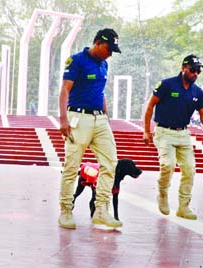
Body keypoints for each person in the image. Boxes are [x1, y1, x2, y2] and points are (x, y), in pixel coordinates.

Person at [143, 54, 203, 220]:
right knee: (167, 164)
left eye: (198, 71)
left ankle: (183, 207)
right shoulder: (167, 84)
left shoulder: (198, 92)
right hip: (164, 131)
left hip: (184, 134)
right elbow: (150, 106)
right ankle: (162, 194)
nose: (195, 74)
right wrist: (146, 130)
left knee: (189, 169)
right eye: (193, 70)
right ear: (183, 68)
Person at [57, 28, 122, 229]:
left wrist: (106, 117)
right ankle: (66, 211)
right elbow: (65, 90)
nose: (110, 53)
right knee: (71, 166)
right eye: (108, 48)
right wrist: (63, 119)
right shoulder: (76, 60)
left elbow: (101, 92)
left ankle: (101, 210)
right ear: (97, 43)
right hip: (79, 117)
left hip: (100, 119)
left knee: (111, 162)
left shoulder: (104, 64)